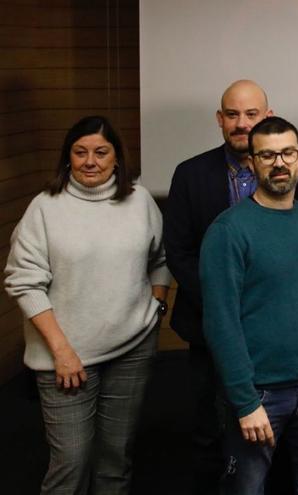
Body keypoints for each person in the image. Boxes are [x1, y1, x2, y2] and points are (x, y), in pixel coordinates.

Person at [163, 79, 298, 493]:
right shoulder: (190, 174)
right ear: (220, 119)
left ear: (266, 117)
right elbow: (177, 251)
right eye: (232, 114)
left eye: (251, 114)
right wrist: (228, 305)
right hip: (208, 329)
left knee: (282, 446)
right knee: (212, 436)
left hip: (280, 343)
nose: (241, 122)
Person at [4, 115, 172, 494]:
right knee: (71, 464)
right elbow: (24, 281)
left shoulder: (139, 200)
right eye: (80, 152)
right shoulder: (45, 208)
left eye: (101, 152)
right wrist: (62, 352)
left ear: (117, 158)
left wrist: (157, 306)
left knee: (116, 460)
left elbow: (159, 259)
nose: (90, 161)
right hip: (66, 359)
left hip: (132, 349)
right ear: (68, 157)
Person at [199, 116, 298, 494]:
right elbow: (220, 321)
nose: (279, 163)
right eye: (267, 155)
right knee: (246, 489)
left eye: (287, 153)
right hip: (259, 391)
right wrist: (245, 402)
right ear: (253, 162)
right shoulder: (228, 230)